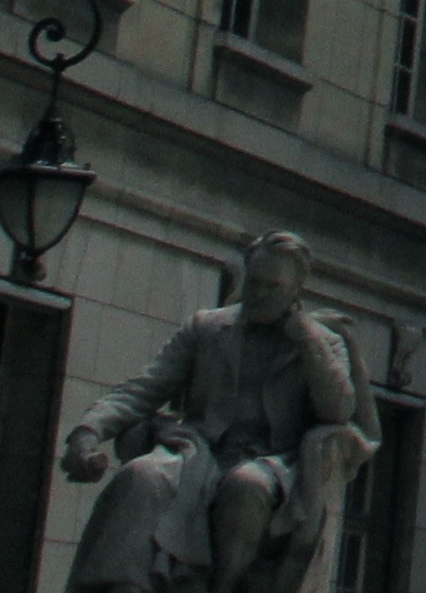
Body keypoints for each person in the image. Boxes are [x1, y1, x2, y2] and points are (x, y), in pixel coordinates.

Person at [63, 230, 375, 593]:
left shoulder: (323, 342)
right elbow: (144, 388)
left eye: (272, 287)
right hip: (198, 453)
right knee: (142, 475)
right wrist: (89, 431)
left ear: (295, 289)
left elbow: (337, 410)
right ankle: (122, 587)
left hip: (273, 462)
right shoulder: (208, 327)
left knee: (246, 488)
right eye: (253, 282)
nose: (258, 294)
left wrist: (308, 339)